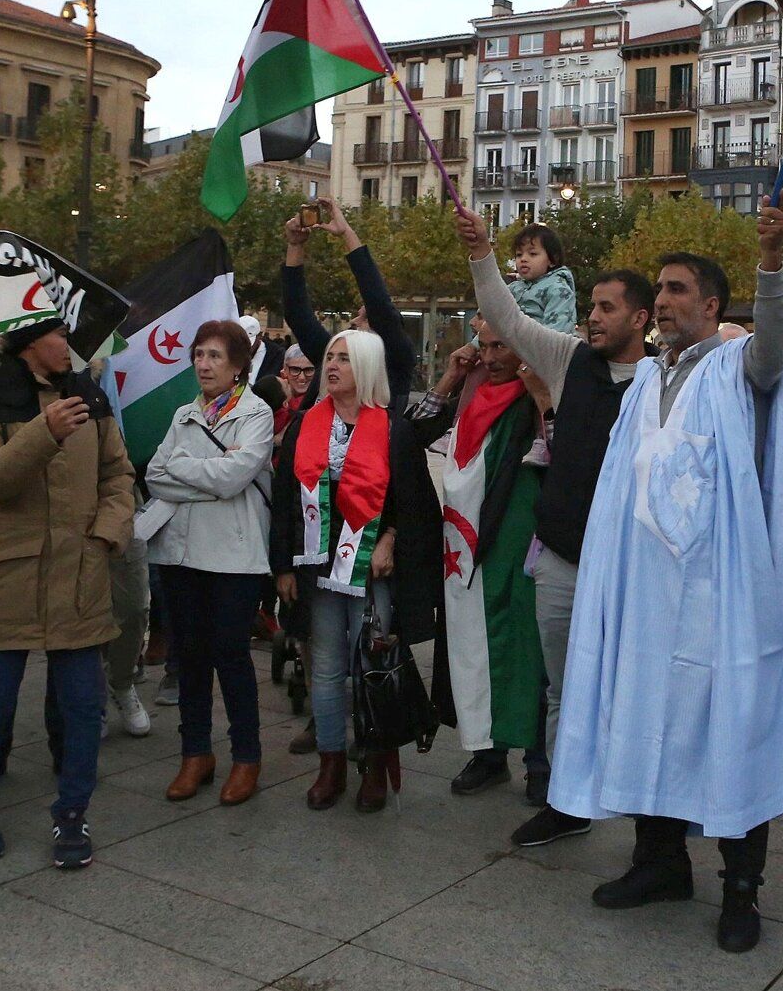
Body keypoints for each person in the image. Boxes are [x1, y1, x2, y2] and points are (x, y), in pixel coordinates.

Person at [550, 197, 783, 954]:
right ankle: (658, 862)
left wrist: (771, 260)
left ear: (714, 305)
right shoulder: (642, 383)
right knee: (645, 717)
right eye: (656, 293)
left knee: (727, 725)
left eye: (676, 291)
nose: (661, 303)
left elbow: (774, 342)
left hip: (716, 595)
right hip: (645, 596)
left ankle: (740, 889)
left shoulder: (737, 364)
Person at [452, 206, 653, 848]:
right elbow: (507, 318)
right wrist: (483, 253)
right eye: (590, 305)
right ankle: (567, 801)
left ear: (641, 319)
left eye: (607, 307)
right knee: (563, 686)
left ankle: (654, 832)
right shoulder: (569, 361)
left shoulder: (665, 379)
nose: (591, 316)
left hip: (631, 565)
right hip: (565, 558)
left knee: (637, 692)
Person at [0, 320, 135, 869]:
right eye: (61, 338)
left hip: (79, 569)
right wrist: (42, 431)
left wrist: (108, 532)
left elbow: (118, 475)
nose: (72, 350)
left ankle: (73, 810)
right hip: (10, 575)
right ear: (30, 343)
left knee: (82, 705)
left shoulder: (90, 397)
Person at [271, 330, 442, 813]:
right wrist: (281, 563)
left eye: (344, 359)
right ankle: (331, 765)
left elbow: (415, 505)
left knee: (375, 667)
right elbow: (285, 497)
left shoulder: (393, 430)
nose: (332, 366)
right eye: (330, 357)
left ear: (366, 367)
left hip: (372, 571)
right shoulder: (306, 424)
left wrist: (389, 539)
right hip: (316, 567)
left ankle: (374, 763)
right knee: (324, 669)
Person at [407, 329, 545, 802]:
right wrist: (450, 378)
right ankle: (489, 754)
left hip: (522, 545)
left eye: (500, 345)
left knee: (528, 652)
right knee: (477, 649)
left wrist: (543, 397)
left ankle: (540, 765)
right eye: (483, 347)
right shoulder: (473, 398)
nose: (490, 357)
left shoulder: (542, 397)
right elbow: (411, 437)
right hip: (471, 553)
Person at [144, 320, 273, 807]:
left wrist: (192, 473)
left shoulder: (256, 414)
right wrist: (204, 477)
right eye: (199, 354)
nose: (204, 364)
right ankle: (195, 753)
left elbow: (233, 479)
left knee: (231, 656)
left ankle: (247, 756)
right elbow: (155, 475)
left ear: (238, 365)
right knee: (191, 657)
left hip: (234, 558)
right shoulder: (182, 414)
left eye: (215, 356)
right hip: (180, 554)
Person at [281, 198, 417, 408]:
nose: (332, 365)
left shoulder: (393, 362)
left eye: (365, 318)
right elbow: (297, 314)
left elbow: (378, 303)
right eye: (332, 358)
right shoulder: (330, 354)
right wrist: (295, 245)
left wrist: (346, 232)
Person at [503, 222, 576, 334]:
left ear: (552, 260)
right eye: (519, 254)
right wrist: (474, 345)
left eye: (532, 254)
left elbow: (556, 333)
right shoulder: (513, 288)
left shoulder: (559, 290)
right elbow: (495, 319)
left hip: (538, 347)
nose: (523, 259)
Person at [274, 345, 314, 441]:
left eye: (309, 370)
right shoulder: (270, 395)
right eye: (295, 370)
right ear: (284, 371)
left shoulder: (321, 402)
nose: (302, 377)